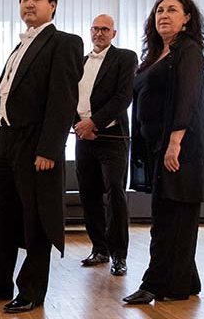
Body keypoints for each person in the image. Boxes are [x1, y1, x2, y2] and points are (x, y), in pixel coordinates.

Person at [0, 0, 83, 313]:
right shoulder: (18, 46)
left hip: (35, 143)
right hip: (5, 141)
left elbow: (63, 100)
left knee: (35, 218)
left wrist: (49, 148)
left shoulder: (65, 43)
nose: (29, 3)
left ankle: (31, 290)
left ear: (52, 5)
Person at [123, 0, 204, 304]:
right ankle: (186, 280)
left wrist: (175, 142)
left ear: (186, 19)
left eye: (172, 10)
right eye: (160, 10)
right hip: (158, 148)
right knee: (169, 216)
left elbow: (188, 98)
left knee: (171, 220)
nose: (163, 15)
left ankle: (157, 285)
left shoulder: (187, 51)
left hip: (181, 149)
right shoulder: (155, 56)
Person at [74, 14, 138, 276]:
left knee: (115, 196)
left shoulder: (125, 57)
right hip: (82, 138)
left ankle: (119, 256)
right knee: (89, 195)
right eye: (95, 29)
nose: (99, 33)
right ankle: (99, 248)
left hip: (112, 139)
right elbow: (67, 95)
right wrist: (79, 126)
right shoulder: (80, 61)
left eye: (104, 29)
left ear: (114, 33)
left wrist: (94, 124)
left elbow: (123, 97)